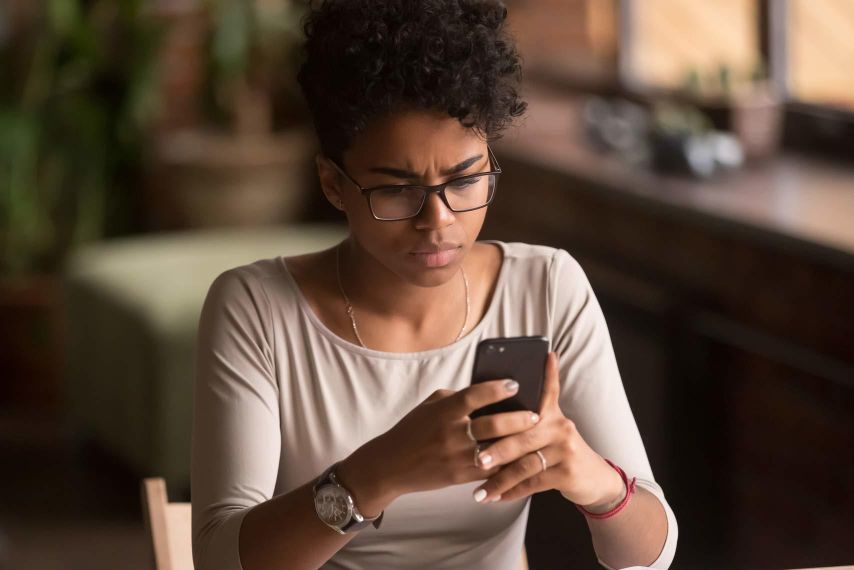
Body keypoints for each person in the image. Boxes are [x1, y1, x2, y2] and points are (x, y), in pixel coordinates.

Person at [190, 1, 678, 569]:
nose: (438, 220)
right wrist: (380, 472)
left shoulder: (546, 288)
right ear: (333, 183)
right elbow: (219, 560)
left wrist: (595, 481)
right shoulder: (256, 309)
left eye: (465, 180)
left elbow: (652, 557)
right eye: (398, 190)